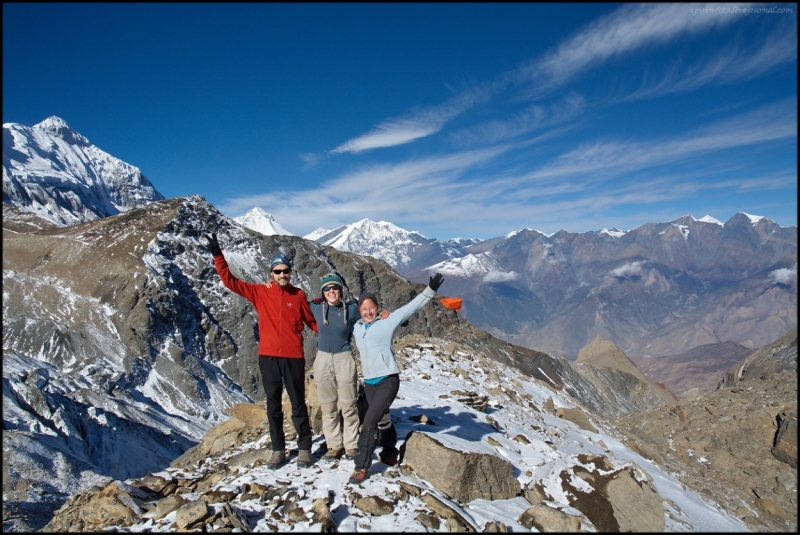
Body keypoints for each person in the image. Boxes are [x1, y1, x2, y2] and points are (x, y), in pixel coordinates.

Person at [205, 233, 318, 469]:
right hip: (268, 357)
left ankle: (305, 448)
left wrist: (338, 327)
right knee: (273, 405)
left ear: (290, 272)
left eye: (285, 271)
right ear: (271, 274)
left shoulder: (298, 295)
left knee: (298, 403)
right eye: (277, 271)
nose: (282, 275)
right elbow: (230, 282)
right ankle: (278, 449)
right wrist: (218, 255)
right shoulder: (260, 292)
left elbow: (312, 322)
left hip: (293, 357)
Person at [265, 273, 390, 462]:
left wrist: (385, 314)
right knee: (328, 404)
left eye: (335, 288)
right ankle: (333, 445)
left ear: (340, 290)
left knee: (348, 404)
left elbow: (370, 314)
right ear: (322, 292)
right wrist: (274, 285)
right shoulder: (315, 307)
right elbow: (291, 301)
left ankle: (351, 445)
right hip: (322, 358)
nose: (331, 291)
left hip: (344, 357)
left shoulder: (351, 309)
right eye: (327, 289)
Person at [348, 273, 445, 485]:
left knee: (369, 421)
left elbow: (410, 308)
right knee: (382, 419)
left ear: (377, 307)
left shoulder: (387, 321)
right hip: (370, 383)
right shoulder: (356, 327)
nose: (368, 312)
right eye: (364, 309)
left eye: (371, 307)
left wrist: (430, 290)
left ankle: (361, 466)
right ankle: (390, 452)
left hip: (388, 380)